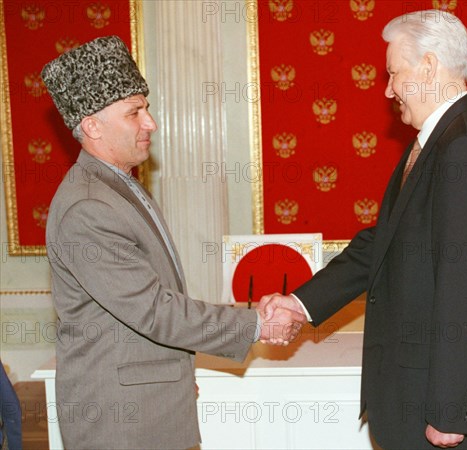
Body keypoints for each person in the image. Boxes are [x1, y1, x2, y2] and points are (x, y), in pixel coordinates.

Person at [259, 9, 467, 449]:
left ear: (429, 66)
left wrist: (451, 412)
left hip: (439, 416)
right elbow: (384, 244)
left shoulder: (466, 148)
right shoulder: (440, 140)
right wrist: (300, 304)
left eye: (394, 73)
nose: (388, 88)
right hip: (413, 401)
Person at [41, 36, 301, 450]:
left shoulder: (118, 186)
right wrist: (257, 323)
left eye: (146, 107)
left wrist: (176, 376)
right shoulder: (88, 208)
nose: (151, 123)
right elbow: (155, 310)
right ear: (92, 126)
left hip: (148, 406)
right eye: (135, 112)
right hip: (122, 423)